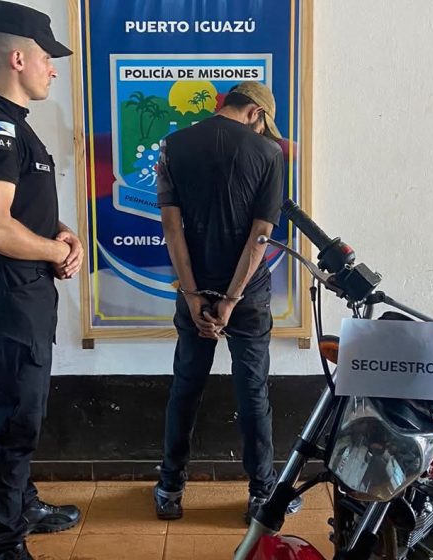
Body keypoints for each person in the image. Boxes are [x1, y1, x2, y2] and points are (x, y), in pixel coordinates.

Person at [0, 2, 83, 558]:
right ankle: (3, 544)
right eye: (48, 59)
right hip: (8, 295)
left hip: (24, 294)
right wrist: (55, 248)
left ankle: (21, 503)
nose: (53, 69)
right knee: (11, 423)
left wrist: (60, 230)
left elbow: (17, 209)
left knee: (23, 411)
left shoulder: (13, 127)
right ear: (18, 57)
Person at [153, 81, 302, 523]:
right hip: (247, 295)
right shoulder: (269, 155)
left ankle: (169, 489)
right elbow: (260, 237)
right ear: (256, 113)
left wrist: (194, 293)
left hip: (193, 290)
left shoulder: (174, 146)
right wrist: (233, 299)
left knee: (186, 386)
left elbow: (172, 229)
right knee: (252, 390)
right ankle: (260, 495)